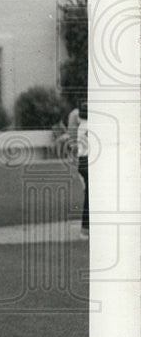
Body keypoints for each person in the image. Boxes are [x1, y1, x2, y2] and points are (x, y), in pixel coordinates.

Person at [75, 101, 89, 238]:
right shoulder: (90, 127)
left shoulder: (81, 126)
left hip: (82, 161)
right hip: (89, 162)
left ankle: (86, 228)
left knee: (89, 195)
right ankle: (86, 229)